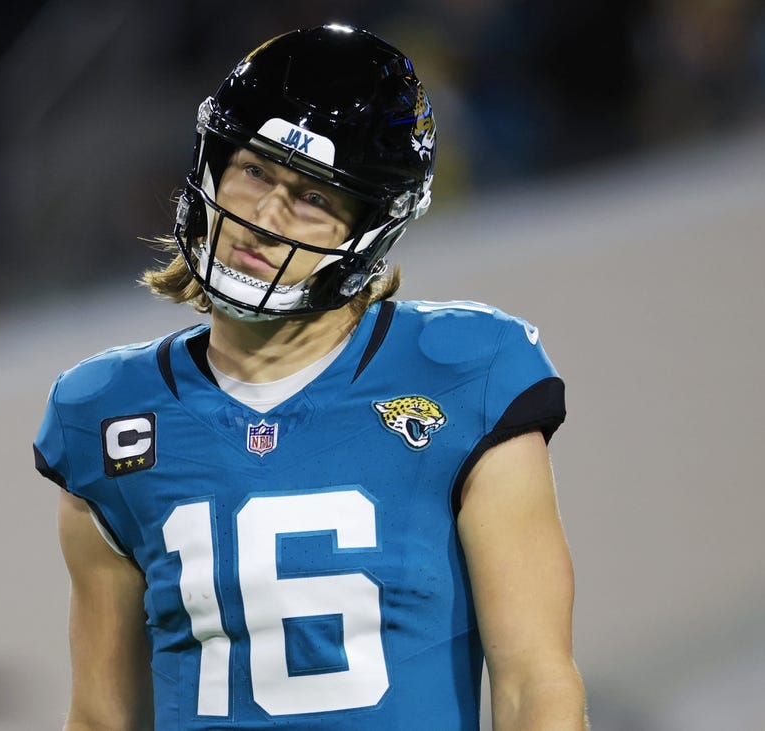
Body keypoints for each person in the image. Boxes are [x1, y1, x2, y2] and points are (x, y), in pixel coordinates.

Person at [34, 23, 587, 730]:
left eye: (313, 198)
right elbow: (104, 718)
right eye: (256, 170)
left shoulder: (468, 375)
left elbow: (534, 685)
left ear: (370, 229)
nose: (264, 217)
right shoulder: (107, 415)